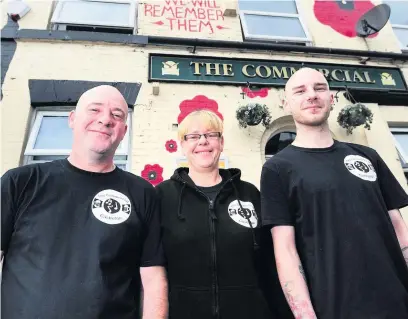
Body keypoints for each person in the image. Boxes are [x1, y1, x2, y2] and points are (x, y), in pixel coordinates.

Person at [1, 85, 168, 319]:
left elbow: (152, 280)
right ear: (72, 119)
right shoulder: (20, 182)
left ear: (124, 130)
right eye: (94, 110)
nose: (105, 120)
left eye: (117, 115)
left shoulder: (142, 192)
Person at [260, 67, 408, 319]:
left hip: (397, 301)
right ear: (286, 103)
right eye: (300, 91)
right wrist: (305, 315)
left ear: (332, 98)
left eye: (319, 88)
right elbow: (284, 250)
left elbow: (399, 229)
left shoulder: (367, 156)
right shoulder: (277, 168)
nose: (312, 95)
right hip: (334, 307)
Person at [156, 110, 291, 319]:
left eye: (211, 135)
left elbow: (269, 263)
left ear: (221, 142)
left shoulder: (249, 194)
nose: (203, 142)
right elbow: (153, 266)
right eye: (193, 136)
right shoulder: (162, 196)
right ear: (182, 145)